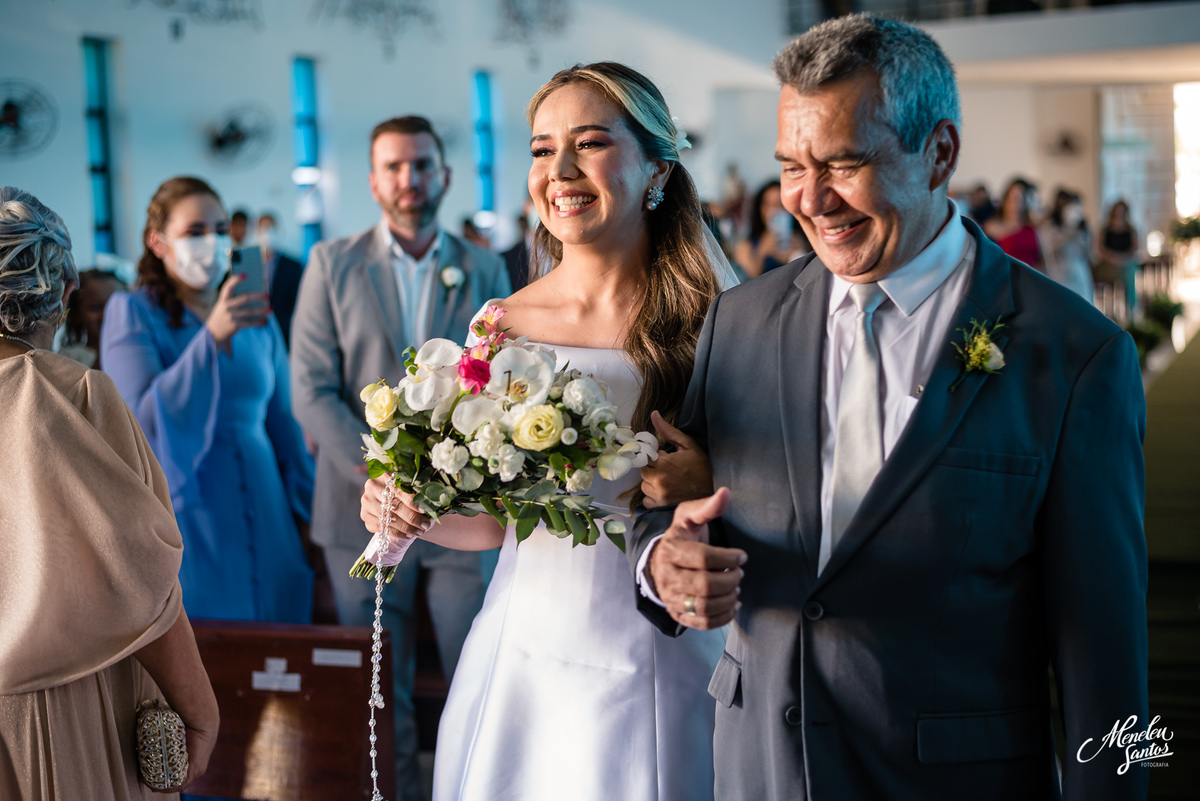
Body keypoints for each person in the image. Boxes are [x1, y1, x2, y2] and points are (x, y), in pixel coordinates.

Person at [633, 15, 1147, 800]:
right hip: (761, 771)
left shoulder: (1075, 356)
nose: (809, 199)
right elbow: (665, 492)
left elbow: (1107, 653)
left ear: (939, 153)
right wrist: (660, 561)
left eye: (843, 162)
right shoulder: (740, 321)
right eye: (791, 166)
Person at [360, 62, 732, 801]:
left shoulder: (721, 318)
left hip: (664, 640)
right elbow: (499, 523)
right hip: (526, 644)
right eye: (540, 148)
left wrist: (713, 476)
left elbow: (784, 485)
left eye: (589, 143)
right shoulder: (501, 324)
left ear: (657, 167)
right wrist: (413, 508)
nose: (558, 170)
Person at [290, 115, 511, 801]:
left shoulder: (484, 265)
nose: (408, 179)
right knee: (378, 686)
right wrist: (382, 471)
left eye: (421, 165)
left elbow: (499, 382)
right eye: (393, 166)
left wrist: (445, 479)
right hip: (360, 507)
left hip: (460, 510)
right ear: (372, 179)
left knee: (472, 666)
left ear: (443, 174)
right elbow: (311, 388)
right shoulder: (332, 262)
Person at [0, 186, 219, 799]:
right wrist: (197, 707)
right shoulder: (74, 397)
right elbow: (137, 573)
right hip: (61, 708)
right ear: (64, 290)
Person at [101, 176, 317, 624]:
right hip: (189, 505)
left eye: (220, 230)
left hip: (264, 498)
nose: (213, 242)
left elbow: (284, 425)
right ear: (158, 242)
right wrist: (212, 336)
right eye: (195, 232)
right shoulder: (132, 313)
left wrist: (309, 511)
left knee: (280, 646)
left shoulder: (255, 315)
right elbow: (142, 419)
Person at [734, 179, 811, 278]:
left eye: (780, 204)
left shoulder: (802, 240)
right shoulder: (745, 247)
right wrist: (761, 253)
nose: (775, 210)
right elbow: (745, 285)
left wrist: (799, 254)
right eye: (768, 204)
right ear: (760, 209)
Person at [60, 267, 127, 369]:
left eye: (114, 307)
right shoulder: (70, 359)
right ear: (77, 313)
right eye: (96, 307)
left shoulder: (135, 352)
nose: (106, 315)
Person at [255, 211, 304, 348]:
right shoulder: (252, 265)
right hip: (257, 335)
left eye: (272, 228)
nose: (268, 233)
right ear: (257, 233)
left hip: (286, 336)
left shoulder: (293, 266)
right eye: (264, 229)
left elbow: (298, 304)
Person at [1042, 188, 1094, 300]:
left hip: (1080, 275)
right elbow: (1051, 250)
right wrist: (1070, 231)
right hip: (1060, 276)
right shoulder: (1052, 228)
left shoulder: (1082, 230)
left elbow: (1089, 255)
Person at [984, 177, 1044, 271]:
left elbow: (1041, 261)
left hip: (1032, 281)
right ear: (1005, 199)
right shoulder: (992, 227)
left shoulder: (1032, 228)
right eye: (1013, 198)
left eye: (1021, 199)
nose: (1016, 203)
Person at [1096, 199, 1140, 318]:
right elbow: (1101, 248)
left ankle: (1130, 311)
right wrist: (1113, 258)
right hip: (1108, 263)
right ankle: (1111, 315)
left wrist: (1122, 258)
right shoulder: (1106, 229)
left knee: (1129, 273)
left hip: (1125, 263)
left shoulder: (1130, 229)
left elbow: (1134, 248)